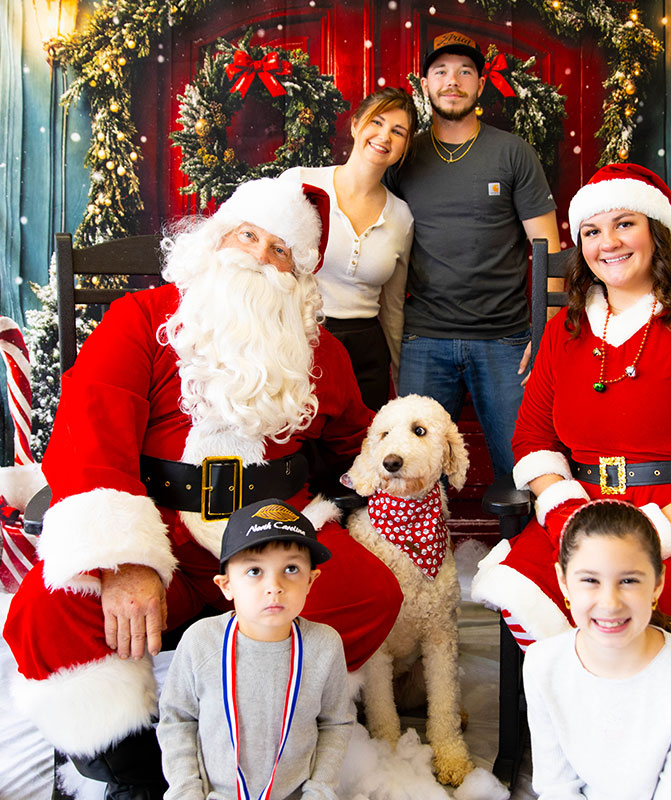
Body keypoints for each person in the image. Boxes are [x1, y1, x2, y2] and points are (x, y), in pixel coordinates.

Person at [3, 177, 402, 799]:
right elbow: (92, 431)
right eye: (248, 235)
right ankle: (136, 770)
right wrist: (125, 562)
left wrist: (393, 468)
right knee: (47, 612)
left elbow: (361, 442)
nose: (259, 257)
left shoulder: (317, 351)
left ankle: (260, 734)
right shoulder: (142, 318)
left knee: (367, 594)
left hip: (271, 538)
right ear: (216, 239)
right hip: (158, 537)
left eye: (280, 250)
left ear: (298, 276)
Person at [472, 162, 671, 797]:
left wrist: (656, 534)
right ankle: (604, 754)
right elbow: (532, 441)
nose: (609, 242)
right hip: (585, 512)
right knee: (527, 596)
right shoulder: (564, 333)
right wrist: (565, 512)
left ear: (657, 233)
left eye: (625, 223)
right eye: (592, 231)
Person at [384, 31, 560, 477]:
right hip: (424, 339)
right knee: (413, 478)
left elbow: (548, 249)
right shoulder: (403, 156)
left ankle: (523, 527)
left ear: (480, 84)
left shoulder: (513, 153)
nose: (452, 81)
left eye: (465, 72)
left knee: (523, 469)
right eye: (441, 71)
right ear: (425, 83)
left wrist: (546, 333)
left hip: (506, 341)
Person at [526, 500, 671, 799]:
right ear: (563, 581)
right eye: (590, 580)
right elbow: (556, 788)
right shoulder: (542, 664)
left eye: (629, 580)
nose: (610, 603)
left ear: (658, 583)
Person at [157, 498, 353, 800]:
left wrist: (319, 792)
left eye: (291, 568)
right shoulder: (200, 641)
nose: (274, 586)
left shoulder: (325, 645)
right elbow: (177, 721)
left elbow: (335, 723)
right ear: (226, 585)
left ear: (311, 581)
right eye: (254, 571)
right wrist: (186, 792)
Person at [279, 87, 417, 411]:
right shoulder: (299, 184)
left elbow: (392, 307)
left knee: (361, 441)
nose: (385, 136)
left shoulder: (402, 217)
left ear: (405, 146)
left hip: (367, 353)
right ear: (355, 125)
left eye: (398, 131)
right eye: (377, 122)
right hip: (303, 339)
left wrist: (401, 381)